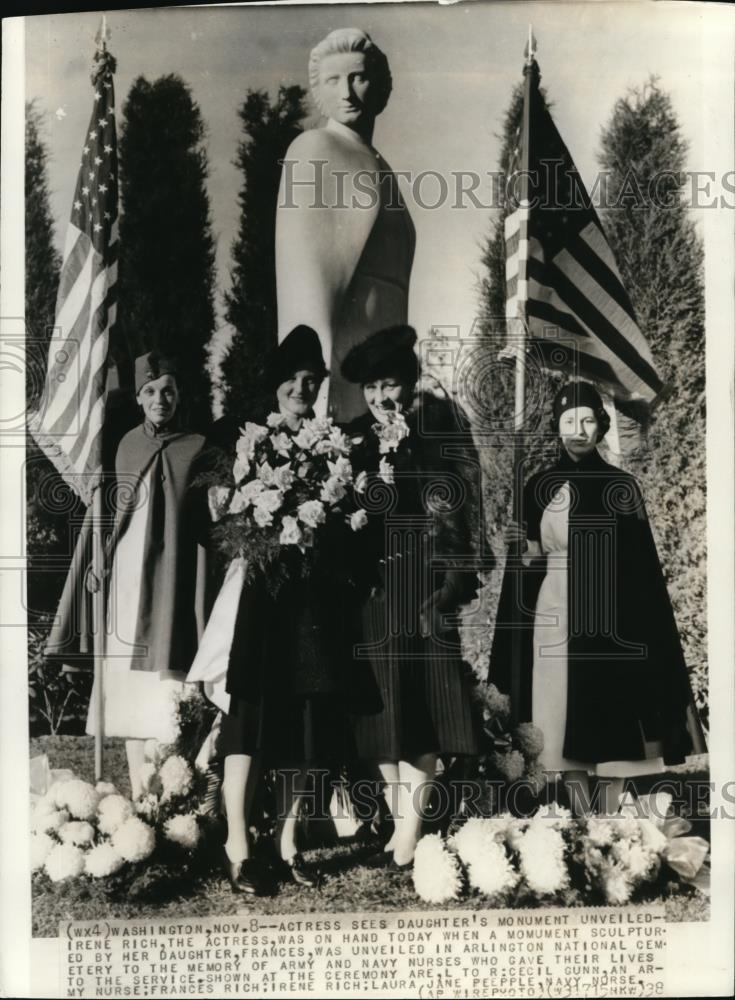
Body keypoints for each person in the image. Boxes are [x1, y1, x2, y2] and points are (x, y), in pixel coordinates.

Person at [490, 380, 706, 816]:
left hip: (607, 612)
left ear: (601, 426)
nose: (578, 429)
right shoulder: (538, 486)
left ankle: (607, 816)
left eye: (587, 420)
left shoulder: (621, 486)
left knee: (607, 713)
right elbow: (533, 560)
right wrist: (518, 546)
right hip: (552, 608)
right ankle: (583, 816)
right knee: (556, 709)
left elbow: (639, 565)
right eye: (569, 421)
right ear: (556, 427)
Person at [191, 325, 351, 896]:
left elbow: (347, 527)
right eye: (294, 379)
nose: (302, 389)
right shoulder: (246, 437)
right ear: (276, 383)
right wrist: (231, 517)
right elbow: (205, 503)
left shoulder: (330, 444)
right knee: (248, 718)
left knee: (304, 725)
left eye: (312, 381)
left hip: (309, 601)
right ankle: (237, 841)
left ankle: (286, 844)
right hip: (260, 594)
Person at [341, 325, 483, 870]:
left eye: (390, 384)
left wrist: (449, 584)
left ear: (409, 383)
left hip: (422, 592)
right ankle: (406, 825)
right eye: (372, 387)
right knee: (383, 715)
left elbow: (458, 515)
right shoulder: (351, 441)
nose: (381, 398)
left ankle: (410, 833)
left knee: (422, 712)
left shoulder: (433, 437)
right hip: (372, 595)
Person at [276, 27, 415, 422]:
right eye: (334, 80)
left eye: (358, 77)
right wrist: (314, 414)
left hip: (382, 379)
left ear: (381, 84)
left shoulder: (379, 164)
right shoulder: (315, 149)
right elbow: (306, 291)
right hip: (340, 380)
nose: (347, 93)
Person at [85, 353, 207, 800]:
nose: (161, 399)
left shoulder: (196, 446)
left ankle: (170, 788)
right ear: (138, 397)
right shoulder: (126, 446)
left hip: (173, 573)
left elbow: (201, 517)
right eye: (151, 391)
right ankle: (140, 789)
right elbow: (115, 514)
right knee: (130, 678)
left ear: (181, 395)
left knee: (165, 677)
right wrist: (102, 557)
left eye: (169, 390)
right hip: (130, 573)